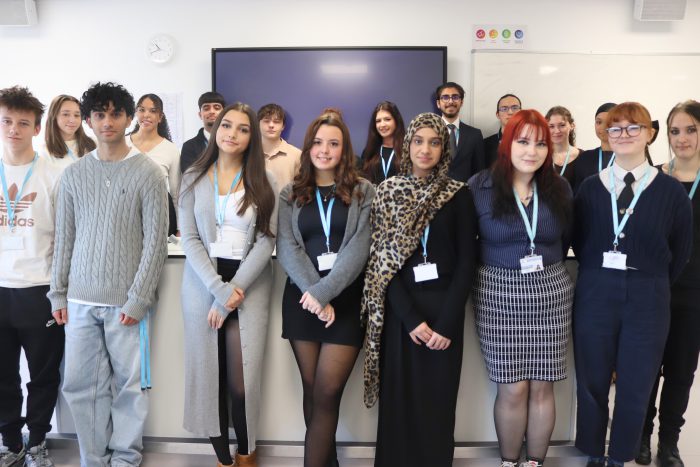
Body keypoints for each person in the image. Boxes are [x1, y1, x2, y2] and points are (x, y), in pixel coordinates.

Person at [48, 81, 169, 467]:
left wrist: (139, 298)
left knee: (128, 387)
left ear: (130, 118)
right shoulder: (73, 176)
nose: (107, 121)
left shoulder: (149, 174)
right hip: (80, 302)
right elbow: (64, 239)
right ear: (87, 121)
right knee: (80, 387)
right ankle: (93, 459)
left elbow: (156, 244)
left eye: (116, 113)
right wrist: (58, 293)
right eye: (99, 114)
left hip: (125, 303)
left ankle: (126, 457)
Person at [572, 102, 693, 467]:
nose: (623, 135)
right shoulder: (590, 188)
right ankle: (594, 450)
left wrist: (648, 282)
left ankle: (621, 453)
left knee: (636, 381)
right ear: (605, 136)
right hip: (595, 290)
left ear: (650, 133)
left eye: (632, 127)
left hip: (649, 295)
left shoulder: (671, 192)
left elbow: (680, 251)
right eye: (615, 129)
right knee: (592, 379)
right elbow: (578, 239)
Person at [362, 112, 477, 467]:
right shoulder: (388, 192)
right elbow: (380, 262)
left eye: (435, 142)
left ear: (445, 148)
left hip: (444, 316)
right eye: (418, 141)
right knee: (399, 402)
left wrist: (445, 323)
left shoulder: (458, 194)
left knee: (437, 403)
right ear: (406, 144)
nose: (425, 149)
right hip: (402, 315)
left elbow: (466, 262)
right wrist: (410, 319)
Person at [470, 109, 574, 467]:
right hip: (497, 294)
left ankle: (535, 463)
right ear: (506, 142)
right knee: (512, 387)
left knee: (544, 386)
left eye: (541, 143)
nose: (532, 151)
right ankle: (509, 461)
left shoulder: (558, 187)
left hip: (551, 294)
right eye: (523, 141)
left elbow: (574, 237)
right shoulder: (480, 187)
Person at [179, 102, 277, 467]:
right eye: (226, 126)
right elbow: (189, 239)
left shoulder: (264, 179)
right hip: (203, 285)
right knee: (210, 381)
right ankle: (223, 460)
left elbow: (267, 240)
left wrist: (233, 291)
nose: (232, 134)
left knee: (241, 383)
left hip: (248, 287)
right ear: (215, 129)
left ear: (252, 136)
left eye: (242, 129)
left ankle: (247, 455)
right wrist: (220, 292)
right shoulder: (192, 177)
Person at [276, 114, 374, 467]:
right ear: (308, 147)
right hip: (302, 299)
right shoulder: (291, 193)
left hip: (345, 301)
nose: (324, 150)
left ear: (344, 148)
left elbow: (359, 249)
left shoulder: (364, 191)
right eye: (318, 142)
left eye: (333, 143)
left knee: (327, 392)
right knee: (312, 390)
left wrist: (326, 294)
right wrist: (315, 295)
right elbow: (288, 248)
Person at [0, 86, 63, 467]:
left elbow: (64, 239)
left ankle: (37, 441)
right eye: (7, 121)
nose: (14, 129)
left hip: (39, 289)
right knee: (2, 377)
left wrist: (60, 292)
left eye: (23, 123)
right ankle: (11, 443)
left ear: (37, 128)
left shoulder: (53, 176)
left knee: (41, 376)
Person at [636, 100, 700, 467]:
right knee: (646, 366)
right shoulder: (654, 178)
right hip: (654, 288)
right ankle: (641, 436)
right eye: (675, 130)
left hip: (694, 291)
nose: (682, 138)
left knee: (680, 371)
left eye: (690, 129)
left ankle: (670, 442)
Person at [129, 93, 180, 235]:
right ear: (136, 113)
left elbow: (176, 193)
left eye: (153, 111)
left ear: (160, 117)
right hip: (126, 215)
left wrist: (180, 228)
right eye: (141, 110)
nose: (146, 115)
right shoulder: (122, 144)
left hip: (159, 216)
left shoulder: (171, 149)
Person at [435, 81, 486, 182]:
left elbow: (480, 171)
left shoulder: (475, 134)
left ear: (461, 102)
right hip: (435, 194)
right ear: (438, 103)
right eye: (445, 97)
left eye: (455, 97)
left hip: (465, 194)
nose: (450, 102)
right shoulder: (429, 133)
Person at [39, 94, 95, 170]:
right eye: (65, 114)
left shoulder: (94, 143)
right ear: (54, 117)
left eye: (76, 115)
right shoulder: (45, 152)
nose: (72, 120)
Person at [572, 103, 616, 193]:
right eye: (599, 122)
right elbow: (577, 195)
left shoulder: (627, 158)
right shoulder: (585, 158)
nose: (603, 127)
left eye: (609, 123)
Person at [359, 101, 406, 184]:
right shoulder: (369, 151)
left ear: (396, 121)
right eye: (378, 121)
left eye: (387, 119)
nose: (382, 124)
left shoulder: (407, 150)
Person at [257, 103, 301, 190]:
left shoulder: (297, 155)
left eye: (276, 122)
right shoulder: (247, 152)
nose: (271, 125)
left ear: (283, 126)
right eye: (266, 121)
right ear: (258, 124)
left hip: (284, 203)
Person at [181, 91, 225, 173]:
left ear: (224, 113)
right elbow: (189, 178)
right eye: (206, 108)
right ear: (200, 115)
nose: (212, 111)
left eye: (217, 108)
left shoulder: (231, 142)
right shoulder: (189, 147)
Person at [484, 94, 522, 168]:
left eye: (515, 108)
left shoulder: (531, 143)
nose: (510, 112)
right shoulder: (485, 145)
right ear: (497, 114)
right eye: (504, 109)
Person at [546, 106, 581, 186]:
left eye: (562, 125)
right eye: (551, 126)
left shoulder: (583, 157)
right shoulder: (541, 157)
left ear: (572, 126)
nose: (557, 131)